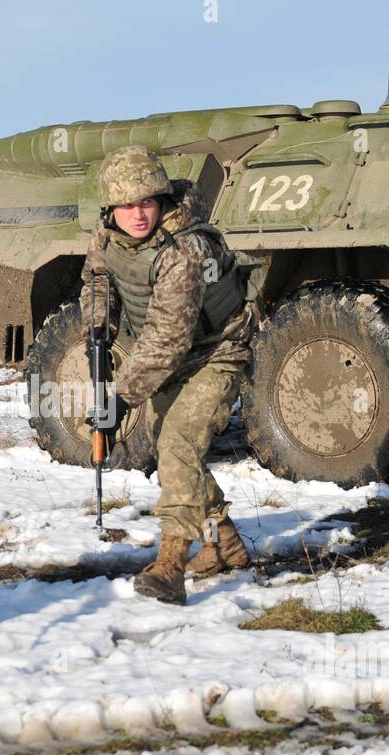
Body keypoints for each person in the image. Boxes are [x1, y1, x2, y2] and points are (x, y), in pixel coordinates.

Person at [82, 145, 257, 605]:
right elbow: (97, 279)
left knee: (178, 445)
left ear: (161, 201)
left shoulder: (184, 249)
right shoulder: (106, 237)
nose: (138, 215)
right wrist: (98, 327)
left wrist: (121, 399)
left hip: (215, 352)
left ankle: (170, 565)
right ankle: (225, 544)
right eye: (126, 205)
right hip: (167, 357)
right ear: (110, 209)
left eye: (147, 203)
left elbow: (167, 339)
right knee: (173, 452)